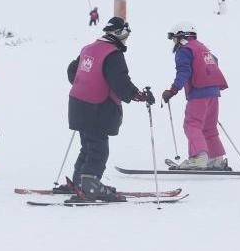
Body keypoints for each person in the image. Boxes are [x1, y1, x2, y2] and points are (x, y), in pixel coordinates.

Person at [64, 17, 153, 202]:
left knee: (88, 146)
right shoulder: (113, 54)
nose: (126, 40)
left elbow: (73, 70)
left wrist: (85, 86)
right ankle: (89, 186)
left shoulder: (88, 48)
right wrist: (139, 95)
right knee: (98, 149)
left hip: (78, 104)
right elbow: (120, 82)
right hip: (97, 107)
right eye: (126, 35)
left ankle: (79, 182)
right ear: (119, 33)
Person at [161, 27, 230, 170]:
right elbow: (214, 62)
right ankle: (216, 159)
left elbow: (184, 72)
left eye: (175, 39)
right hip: (213, 92)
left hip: (199, 93)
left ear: (182, 36)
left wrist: (172, 90)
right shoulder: (202, 47)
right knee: (208, 127)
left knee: (192, 125)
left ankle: (198, 158)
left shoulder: (185, 50)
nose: (174, 42)